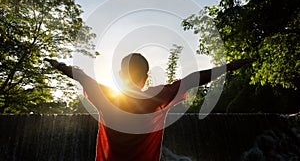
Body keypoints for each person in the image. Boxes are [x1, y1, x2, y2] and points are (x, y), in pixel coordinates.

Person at [45, 54, 254, 161]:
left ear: (119, 76)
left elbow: (81, 76)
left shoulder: (106, 97)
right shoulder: (158, 98)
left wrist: (59, 65)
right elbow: (193, 79)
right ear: (145, 78)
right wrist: (229, 66)